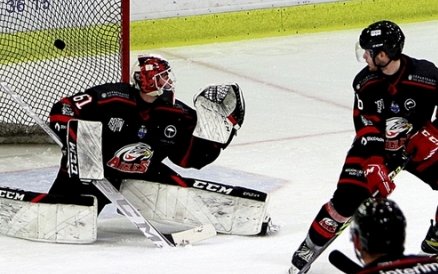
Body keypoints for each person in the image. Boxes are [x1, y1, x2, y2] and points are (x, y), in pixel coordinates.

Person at [289, 20, 438, 274]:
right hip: (375, 149)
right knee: (347, 201)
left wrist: (431, 135)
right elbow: (366, 125)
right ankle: (309, 246)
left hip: (418, 147)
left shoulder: (428, 75)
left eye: (368, 51)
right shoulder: (365, 82)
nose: (364, 56)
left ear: (383, 54)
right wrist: (373, 163)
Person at [47, 54, 273, 236]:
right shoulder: (113, 96)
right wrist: (67, 130)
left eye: (166, 77)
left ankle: (238, 219)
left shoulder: (176, 113)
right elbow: (65, 107)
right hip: (91, 173)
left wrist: (218, 136)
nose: (166, 83)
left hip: (141, 173)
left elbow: (190, 158)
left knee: (183, 190)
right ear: (142, 81)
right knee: (62, 224)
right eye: (159, 78)